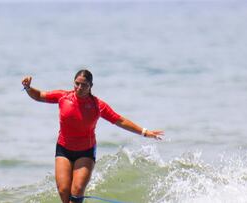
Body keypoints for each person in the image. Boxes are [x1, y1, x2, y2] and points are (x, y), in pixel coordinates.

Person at [21, 69, 164, 203]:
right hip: (63, 149)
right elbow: (39, 95)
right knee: (64, 191)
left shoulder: (97, 105)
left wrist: (145, 132)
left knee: (76, 191)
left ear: (91, 86)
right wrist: (28, 88)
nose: (79, 87)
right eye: (77, 84)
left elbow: (119, 120)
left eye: (84, 85)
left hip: (86, 152)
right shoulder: (63, 97)